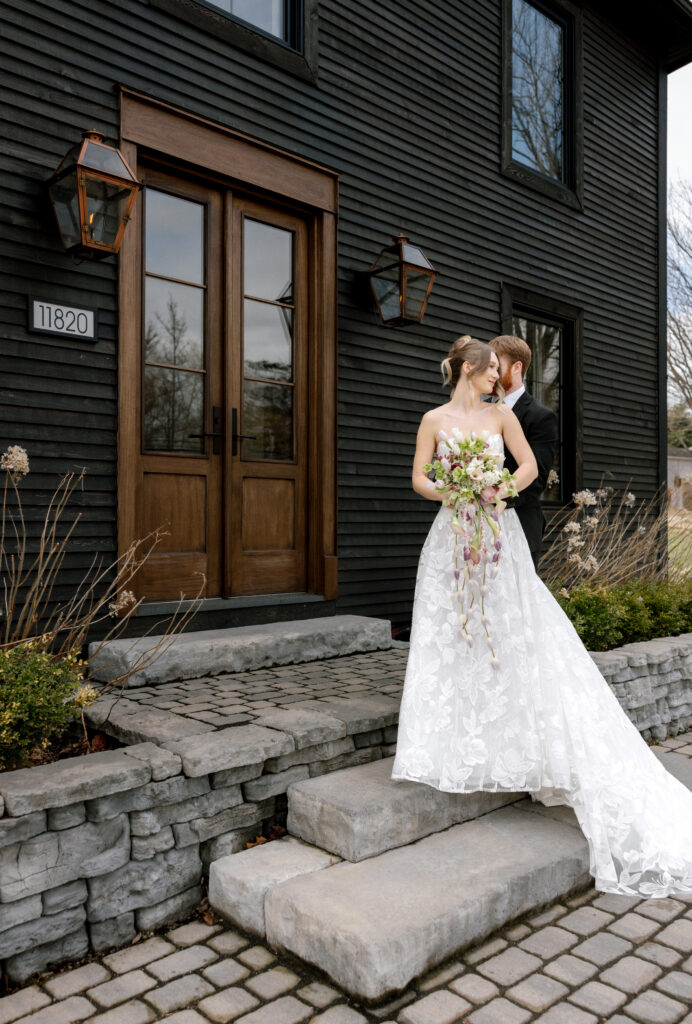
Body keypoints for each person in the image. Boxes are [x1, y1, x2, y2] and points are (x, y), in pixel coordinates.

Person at [390, 334, 692, 897]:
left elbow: (530, 467)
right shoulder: (432, 420)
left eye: (498, 370)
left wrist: (494, 487)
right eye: (489, 370)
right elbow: (418, 476)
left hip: (497, 532)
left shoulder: (502, 416)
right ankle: (450, 747)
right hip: (451, 537)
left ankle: (509, 740)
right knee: (449, 634)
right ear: (469, 369)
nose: (497, 377)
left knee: (507, 631)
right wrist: (450, 492)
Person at [488, 335, 558, 568]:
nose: (492, 373)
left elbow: (536, 481)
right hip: (476, 527)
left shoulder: (540, 416)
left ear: (517, 367)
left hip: (518, 525)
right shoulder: (480, 411)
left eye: (497, 366)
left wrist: (488, 495)